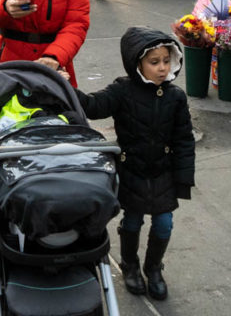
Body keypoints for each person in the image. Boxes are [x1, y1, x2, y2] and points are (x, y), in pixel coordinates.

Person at [74, 27, 195, 301]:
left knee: (164, 224)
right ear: (136, 62)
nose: (162, 68)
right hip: (132, 171)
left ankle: (154, 268)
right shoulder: (123, 90)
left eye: (166, 61)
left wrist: (183, 178)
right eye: (155, 62)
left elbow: (184, 140)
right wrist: (68, 90)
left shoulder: (176, 97)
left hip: (162, 172)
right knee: (132, 221)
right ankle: (130, 265)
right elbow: (94, 106)